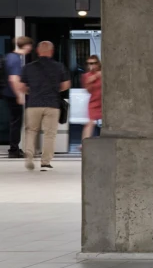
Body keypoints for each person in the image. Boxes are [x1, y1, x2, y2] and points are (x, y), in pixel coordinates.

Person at [18, 41, 69, 170]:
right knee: (49, 134)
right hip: (52, 104)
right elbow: (66, 84)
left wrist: (32, 91)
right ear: (51, 52)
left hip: (33, 104)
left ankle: (29, 154)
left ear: (38, 51)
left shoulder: (28, 67)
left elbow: (21, 86)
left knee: (31, 131)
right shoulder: (58, 66)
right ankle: (45, 161)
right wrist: (54, 90)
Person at [3, 37, 31, 159]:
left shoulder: (10, 56)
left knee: (14, 121)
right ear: (26, 46)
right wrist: (19, 95)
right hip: (12, 95)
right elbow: (13, 79)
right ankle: (14, 149)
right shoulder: (15, 59)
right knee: (16, 122)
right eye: (30, 45)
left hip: (8, 94)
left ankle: (14, 148)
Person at [80, 56, 102, 139]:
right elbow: (88, 90)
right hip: (94, 101)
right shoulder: (86, 76)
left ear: (98, 63)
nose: (91, 65)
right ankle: (84, 143)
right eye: (89, 63)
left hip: (104, 102)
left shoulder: (103, 73)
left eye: (93, 63)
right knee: (90, 123)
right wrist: (94, 78)